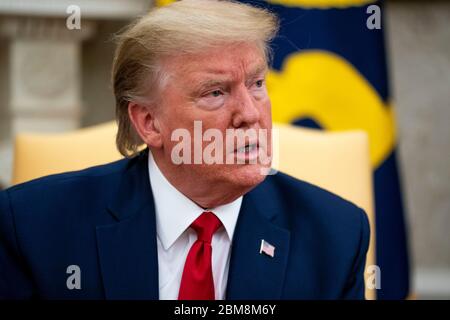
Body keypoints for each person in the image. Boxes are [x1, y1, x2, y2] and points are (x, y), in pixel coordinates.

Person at [0, 0, 369, 300]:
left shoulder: (335, 236)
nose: (251, 114)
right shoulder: (32, 226)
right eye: (215, 93)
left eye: (256, 84)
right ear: (149, 122)